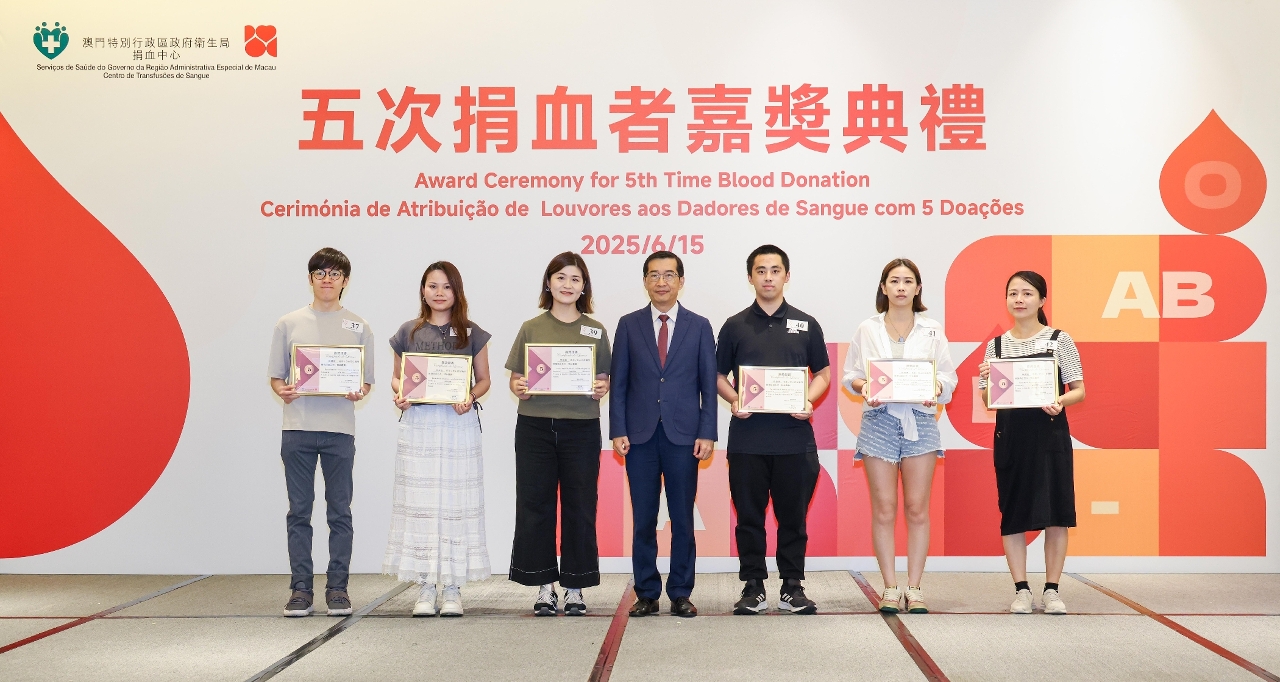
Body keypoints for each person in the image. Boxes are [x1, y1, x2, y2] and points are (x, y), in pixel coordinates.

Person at [716, 244, 829, 615]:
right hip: (747, 440)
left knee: (793, 519)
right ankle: (753, 586)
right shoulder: (734, 325)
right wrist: (734, 399)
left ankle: (792, 586)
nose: (768, 277)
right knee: (749, 518)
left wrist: (808, 400)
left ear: (786, 276)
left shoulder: (806, 323)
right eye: (761, 271)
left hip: (795, 441)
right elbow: (717, 375)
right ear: (750, 277)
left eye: (775, 270)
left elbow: (823, 373)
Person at [842, 258, 957, 614]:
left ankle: (915, 587)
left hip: (920, 421)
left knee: (917, 508)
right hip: (878, 421)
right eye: (894, 281)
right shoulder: (867, 328)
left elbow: (947, 379)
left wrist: (935, 388)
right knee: (884, 508)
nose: (901, 287)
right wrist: (864, 387)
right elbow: (851, 375)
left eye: (908, 281)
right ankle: (890, 588)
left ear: (918, 288)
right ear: (884, 287)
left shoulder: (932, 329)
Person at [267, 247, 375, 618]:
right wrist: (282, 389)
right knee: (299, 512)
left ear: (345, 281)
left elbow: (365, 382)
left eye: (334, 274)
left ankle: (338, 589)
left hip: (339, 431)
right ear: (311, 278)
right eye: (320, 273)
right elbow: (276, 376)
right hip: (297, 429)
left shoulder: (359, 326)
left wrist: (359, 391)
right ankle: (300, 590)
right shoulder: (288, 323)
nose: (327, 279)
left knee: (339, 512)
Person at [610, 251, 717, 618]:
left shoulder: (699, 325)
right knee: (643, 519)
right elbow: (619, 383)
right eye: (654, 275)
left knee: (683, 519)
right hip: (639, 437)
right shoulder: (628, 324)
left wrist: (707, 432)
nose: (662, 282)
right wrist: (618, 429)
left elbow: (708, 384)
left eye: (669, 275)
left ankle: (681, 592)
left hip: (684, 437)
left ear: (681, 281)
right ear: (645, 281)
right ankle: (647, 592)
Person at [383, 262, 492, 617]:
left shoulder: (472, 333)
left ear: (457, 292)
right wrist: (401, 393)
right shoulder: (408, 331)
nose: (440, 292)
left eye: (447, 286)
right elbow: (397, 377)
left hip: (458, 425)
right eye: (433, 286)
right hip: (420, 426)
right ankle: (425, 586)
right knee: (422, 504)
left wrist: (469, 397)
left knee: (455, 504)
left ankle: (453, 588)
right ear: (423, 290)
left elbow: (484, 380)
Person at [506, 252, 611, 616]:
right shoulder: (531, 327)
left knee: (580, 505)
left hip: (581, 427)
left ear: (584, 287)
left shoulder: (596, 330)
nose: (568, 285)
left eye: (575, 279)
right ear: (548, 283)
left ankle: (575, 586)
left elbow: (603, 378)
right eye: (561, 277)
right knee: (535, 505)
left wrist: (601, 387)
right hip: (534, 426)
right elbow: (515, 378)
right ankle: (544, 586)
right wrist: (518, 386)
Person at [978, 271, 1085, 615]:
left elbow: (1079, 390)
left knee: (1056, 514)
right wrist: (986, 381)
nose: (1019, 299)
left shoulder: (1059, 340)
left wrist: (1060, 401)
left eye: (1027, 293)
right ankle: (1021, 590)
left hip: (1050, 435)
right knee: (1013, 514)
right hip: (1011, 438)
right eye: (1013, 293)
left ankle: (1052, 590)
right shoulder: (996, 346)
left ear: (1042, 300)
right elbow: (989, 401)